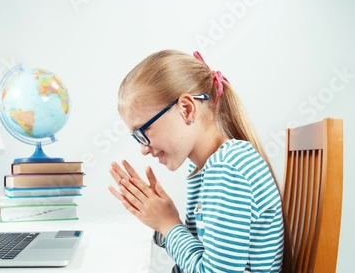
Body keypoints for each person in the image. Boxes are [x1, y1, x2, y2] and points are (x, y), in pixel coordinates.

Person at [109, 50, 284, 272]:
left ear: (186, 109)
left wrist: (168, 225)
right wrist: (161, 224)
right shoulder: (207, 166)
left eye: (144, 131)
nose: (144, 149)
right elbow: (200, 253)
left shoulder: (228, 168)